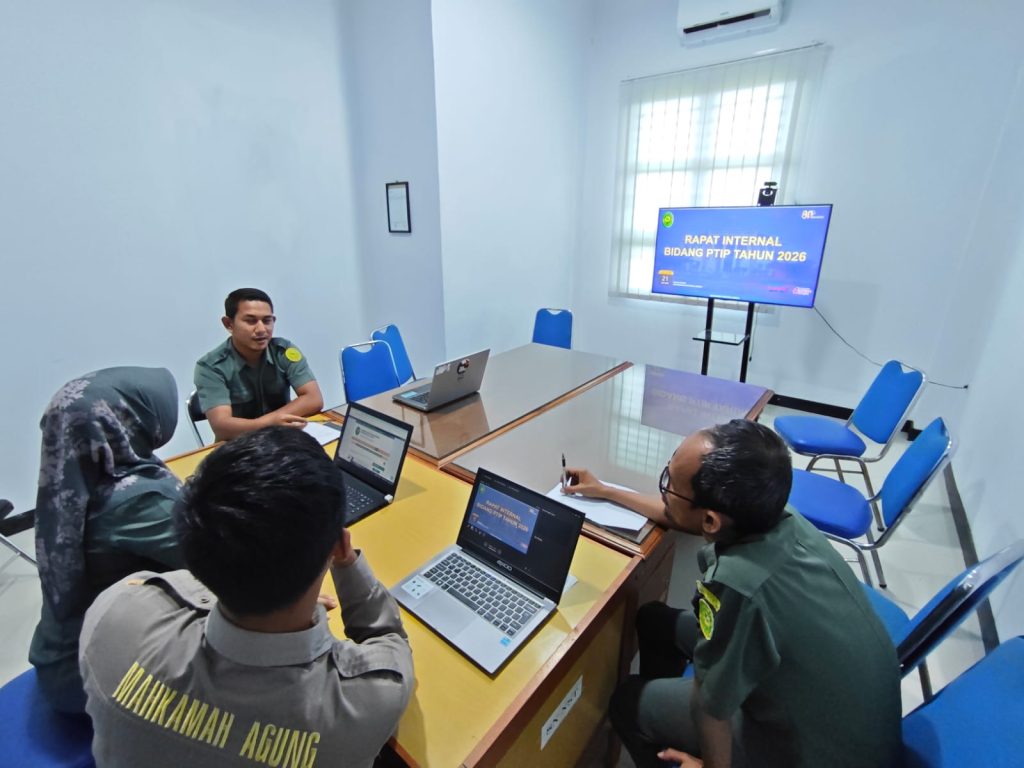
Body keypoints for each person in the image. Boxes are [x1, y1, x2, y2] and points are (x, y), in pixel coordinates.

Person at [563, 419, 900, 768]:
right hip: (834, 706)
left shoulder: (738, 583)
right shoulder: (774, 514)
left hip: (815, 751)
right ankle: (670, 725)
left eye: (669, 485)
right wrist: (604, 491)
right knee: (653, 620)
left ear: (711, 522)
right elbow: (680, 514)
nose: (664, 490)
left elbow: (710, 705)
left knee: (627, 702)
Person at [79, 427, 414, 768]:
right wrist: (347, 563)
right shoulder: (365, 703)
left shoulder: (114, 613)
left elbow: (179, 585)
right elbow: (388, 642)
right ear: (338, 546)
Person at [30, 367, 184, 715]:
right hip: (94, 680)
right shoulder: (134, 500)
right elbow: (227, 560)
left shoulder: (77, 478)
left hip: (60, 653)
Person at [194, 287, 323, 442]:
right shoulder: (210, 367)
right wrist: (270, 423)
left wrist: (272, 424)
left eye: (267, 321)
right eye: (250, 321)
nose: (262, 329)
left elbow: (314, 399)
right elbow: (222, 427)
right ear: (229, 324)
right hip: (239, 444)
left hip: (283, 438)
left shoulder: (283, 351)